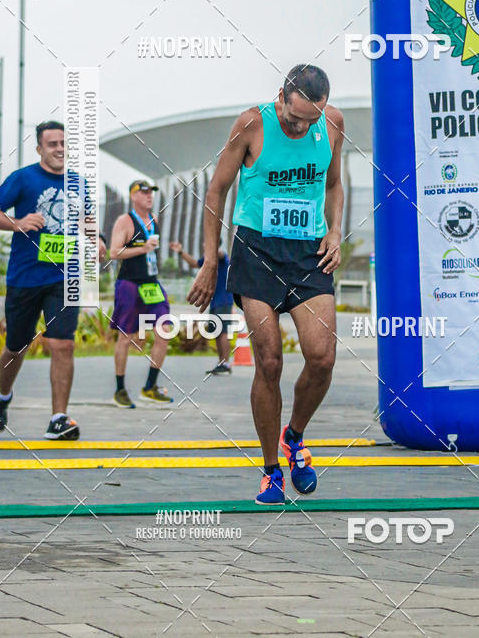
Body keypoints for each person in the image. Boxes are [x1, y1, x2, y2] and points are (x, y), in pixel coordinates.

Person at [187, 64, 344, 504]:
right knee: (270, 362)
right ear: (281, 96)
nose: (300, 127)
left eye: (309, 121)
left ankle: (293, 437)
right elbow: (216, 190)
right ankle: (271, 470)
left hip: (308, 252)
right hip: (256, 251)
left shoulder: (331, 123)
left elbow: (334, 185)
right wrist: (209, 260)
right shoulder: (252, 123)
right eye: (293, 118)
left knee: (323, 356)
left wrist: (334, 231)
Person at [0, 121, 105, 438]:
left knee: (63, 344)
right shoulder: (23, 178)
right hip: (25, 278)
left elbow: (87, 219)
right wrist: (17, 222)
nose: (59, 149)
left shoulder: (79, 183)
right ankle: (1, 399)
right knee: (16, 346)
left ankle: (59, 418)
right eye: (52, 143)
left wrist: (95, 238)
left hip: (64, 277)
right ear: (40, 148)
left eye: (63, 143)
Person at [109, 179, 173, 407]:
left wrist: (150, 253)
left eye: (151, 192)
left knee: (164, 330)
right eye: (144, 192)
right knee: (125, 338)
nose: (149, 196)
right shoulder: (125, 221)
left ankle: (149, 387)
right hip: (129, 284)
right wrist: (142, 249)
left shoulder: (152, 221)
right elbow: (114, 252)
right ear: (133, 196)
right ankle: (119, 389)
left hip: (151, 284)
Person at [169, 236, 234, 375]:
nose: (205, 244)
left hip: (224, 300)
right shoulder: (208, 259)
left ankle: (226, 364)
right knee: (217, 332)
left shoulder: (220, 256)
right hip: (215, 301)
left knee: (222, 332)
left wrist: (213, 247)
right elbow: (194, 263)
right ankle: (221, 363)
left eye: (207, 242)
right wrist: (180, 252)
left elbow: (221, 253)